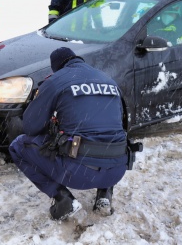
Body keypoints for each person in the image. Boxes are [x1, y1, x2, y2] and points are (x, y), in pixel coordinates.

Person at [9, 47, 129, 220]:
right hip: (117, 169)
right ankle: (105, 194)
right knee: (107, 136)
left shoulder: (56, 80)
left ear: (56, 67)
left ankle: (62, 199)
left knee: (18, 146)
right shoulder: (108, 79)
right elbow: (121, 125)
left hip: (79, 173)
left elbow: (30, 126)